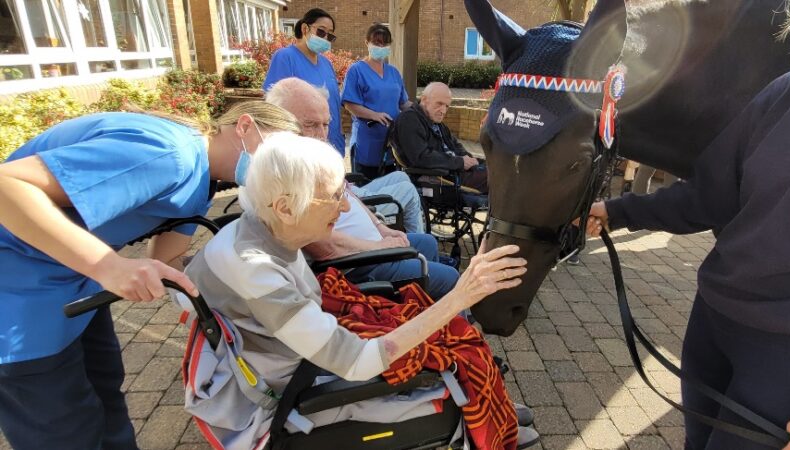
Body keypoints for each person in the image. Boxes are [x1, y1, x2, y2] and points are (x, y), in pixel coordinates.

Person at [182, 132, 538, 448]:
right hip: (289, 395)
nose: (345, 204)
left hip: (294, 357)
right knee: (451, 340)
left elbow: (184, 295)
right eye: (334, 196)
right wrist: (461, 295)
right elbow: (358, 363)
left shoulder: (254, 229)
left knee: (444, 333)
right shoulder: (255, 271)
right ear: (286, 208)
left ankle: (496, 405)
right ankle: (484, 417)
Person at [0, 100, 300, 449]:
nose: (277, 169)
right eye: (276, 154)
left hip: (72, 285)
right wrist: (107, 265)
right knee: (63, 428)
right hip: (19, 300)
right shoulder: (168, 153)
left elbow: (168, 261)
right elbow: (7, 186)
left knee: (107, 395)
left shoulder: (202, 180)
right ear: (245, 126)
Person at [583, 68, 790, 450]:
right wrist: (617, 212)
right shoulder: (788, 89)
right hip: (714, 319)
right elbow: (711, 194)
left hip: (785, 356)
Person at [266, 76, 425, 234]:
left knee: (400, 176)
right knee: (409, 190)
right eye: (310, 125)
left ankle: (414, 241)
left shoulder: (305, 154)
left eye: (326, 124)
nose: (322, 135)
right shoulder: (289, 165)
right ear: (281, 122)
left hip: (350, 192)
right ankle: (415, 242)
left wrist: (379, 226)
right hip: (352, 204)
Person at [262, 8, 346, 155]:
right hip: (303, 147)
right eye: (321, 31)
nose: (325, 38)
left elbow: (333, 103)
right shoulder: (285, 57)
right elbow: (274, 106)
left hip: (331, 142)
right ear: (305, 28)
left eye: (330, 35)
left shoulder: (327, 63)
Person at [342, 23, 413, 179]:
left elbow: (403, 103)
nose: (381, 47)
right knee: (367, 188)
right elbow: (350, 104)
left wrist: (422, 110)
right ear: (367, 42)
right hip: (367, 140)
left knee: (390, 186)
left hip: (392, 141)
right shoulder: (356, 71)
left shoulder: (393, 72)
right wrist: (374, 115)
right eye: (377, 43)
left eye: (385, 44)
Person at [393, 82, 488, 194]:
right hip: (440, 177)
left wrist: (470, 159)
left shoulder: (436, 121)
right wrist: (460, 162)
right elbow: (421, 157)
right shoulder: (409, 119)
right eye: (439, 104)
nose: (443, 111)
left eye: (446, 106)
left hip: (454, 170)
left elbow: (455, 146)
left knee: (496, 167)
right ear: (424, 99)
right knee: (500, 177)